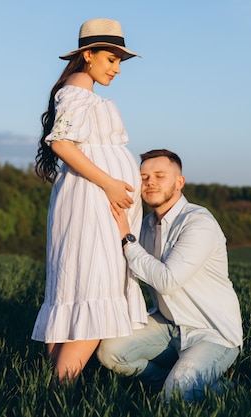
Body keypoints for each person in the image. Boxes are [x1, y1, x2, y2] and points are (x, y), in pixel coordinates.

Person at [31, 18, 148, 383]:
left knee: (77, 291)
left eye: (119, 61)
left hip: (90, 198)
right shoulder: (79, 86)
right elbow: (62, 143)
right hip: (92, 201)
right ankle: (59, 389)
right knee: (94, 288)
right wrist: (111, 184)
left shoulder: (81, 89)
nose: (116, 68)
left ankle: (51, 387)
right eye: (111, 58)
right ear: (88, 55)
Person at [97, 149, 243, 402]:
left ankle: (225, 390)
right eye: (144, 177)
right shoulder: (145, 226)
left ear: (179, 183)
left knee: (174, 398)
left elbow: (167, 281)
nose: (150, 182)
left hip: (211, 333)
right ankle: (165, 382)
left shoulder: (198, 223)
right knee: (110, 353)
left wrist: (127, 239)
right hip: (166, 325)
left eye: (160, 175)